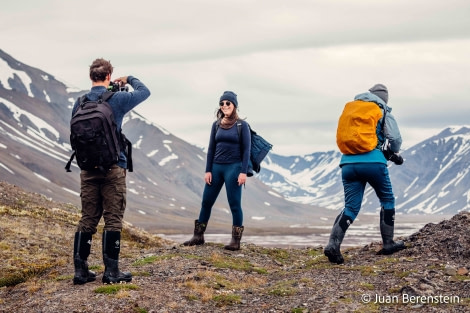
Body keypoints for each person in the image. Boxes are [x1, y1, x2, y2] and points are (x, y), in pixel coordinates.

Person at [71, 58, 150, 284]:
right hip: (113, 168)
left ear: (90, 77)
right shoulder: (117, 99)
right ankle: (111, 272)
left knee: (87, 218)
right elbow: (145, 92)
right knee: (112, 219)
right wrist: (128, 79)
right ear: (108, 76)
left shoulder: (80, 103)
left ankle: (80, 270)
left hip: (87, 169)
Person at [324, 83, 405, 264]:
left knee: (351, 207)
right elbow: (395, 138)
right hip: (374, 162)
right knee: (387, 200)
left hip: (348, 164)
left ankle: (333, 245)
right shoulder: (382, 111)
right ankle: (388, 243)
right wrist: (393, 152)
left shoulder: (352, 109)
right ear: (385, 98)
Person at [183, 91, 251, 251]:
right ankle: (198, 236)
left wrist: (243, 172)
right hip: (216, 167)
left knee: (234, 204)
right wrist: (208, 170)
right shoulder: (216, 125)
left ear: (234, 105)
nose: (225, 106)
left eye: (228, 103)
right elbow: (211, 148)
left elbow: (246, 150)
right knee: (206, 202)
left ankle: (236, 241)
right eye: (222, 103)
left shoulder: (242, 125)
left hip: (233, 168)